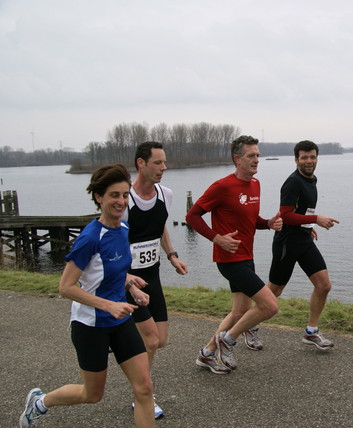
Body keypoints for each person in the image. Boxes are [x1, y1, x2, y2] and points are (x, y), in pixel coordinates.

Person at [19, 164, 155, 428]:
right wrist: (108, 305)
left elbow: (109, 270)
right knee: (92, 394)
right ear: (99, 197)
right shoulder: (90, 238)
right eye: (114, 195)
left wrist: (131, 286)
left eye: (125, 195)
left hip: (120, 320)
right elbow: (66, 286)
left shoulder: (124, 228)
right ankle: (40, 402)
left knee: (144, 388)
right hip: (90, 325)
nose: (121, 201)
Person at [186, 135, 282, 374]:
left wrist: (267, 223)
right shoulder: (222, 186)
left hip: (247, 257)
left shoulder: (255, 185)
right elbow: (192, 216)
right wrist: (216, 237)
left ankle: (206, 354)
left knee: (239, 311)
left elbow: (250, 221)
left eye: (258, 155)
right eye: (251, 155)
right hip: (229, 259)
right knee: (270, 306)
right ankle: (227, 340)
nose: (256, 160)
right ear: (237, 159)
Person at [251, 140, 339, 350]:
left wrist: (309, 224)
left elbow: (301, 212)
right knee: (275, 291)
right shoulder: (293, 182)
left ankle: (311, 332)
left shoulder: (311, 179)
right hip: (287, 242)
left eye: (312, 157)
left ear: (317, 158)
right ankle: (250, 326)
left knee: (324, 285)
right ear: (296, 159)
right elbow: (286, 215)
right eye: (304, 157)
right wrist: (316, 219)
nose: (309, 161)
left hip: (304, 239)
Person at [122, 141, 188, 418]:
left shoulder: (166, 194)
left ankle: (127, 352)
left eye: (164, 162)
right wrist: (124, 276)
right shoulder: (125, 199)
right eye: (158, 163)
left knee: (159, 340)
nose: (164, 168)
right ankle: (142, 396)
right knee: (149, 341)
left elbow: (159, 225)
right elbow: (113, 239)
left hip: (153, 276)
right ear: (141, 163)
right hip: (127, 280)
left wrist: (172, 255)